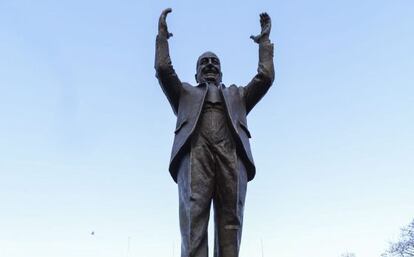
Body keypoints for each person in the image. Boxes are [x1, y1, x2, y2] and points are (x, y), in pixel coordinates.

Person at [154, 8, 274, 257]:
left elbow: (264, 77)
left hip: (231, 155)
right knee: (193, 223)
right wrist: (162, 39)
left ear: (221, 72)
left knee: (232, 223)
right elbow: (164, 70)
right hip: (195, 153)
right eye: (203, 63)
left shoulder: (237, 95)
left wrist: (264, 43)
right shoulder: (185, 93)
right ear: (196, 73)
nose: (210, 65)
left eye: (215, 62)